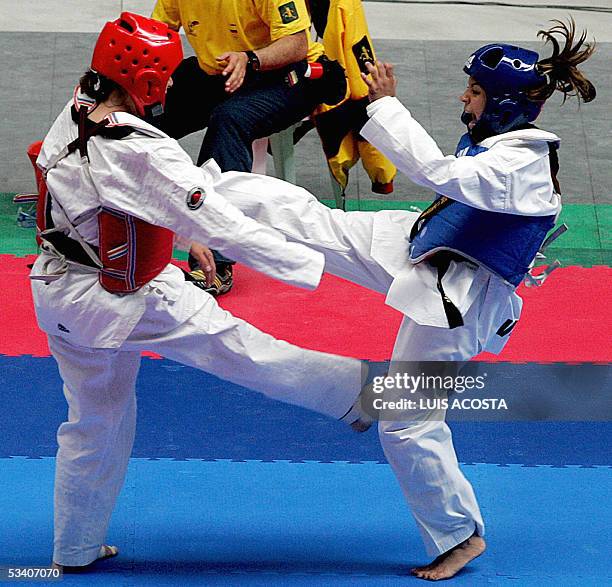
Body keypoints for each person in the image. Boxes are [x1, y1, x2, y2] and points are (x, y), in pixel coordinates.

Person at [212, 19, 596, 580]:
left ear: (503, 104)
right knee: (316, 222)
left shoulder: (520, 166)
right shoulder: (509, 143)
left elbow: (438, 172)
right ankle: (200, 187)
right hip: (428, 247)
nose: (464, 97)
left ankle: (459, 535)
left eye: (475, 91)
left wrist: (387, 106)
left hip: (456, 302)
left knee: (406, 420)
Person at [28, 12, 370, 571]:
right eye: (161, 75)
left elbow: (126, 195)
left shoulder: (77, 109)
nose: (167, 87)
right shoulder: (138, 147)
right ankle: (354, 395)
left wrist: (182, 219)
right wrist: (311, 264)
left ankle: (74, 546)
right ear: (144, 77)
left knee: (94, 422)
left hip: (58, 294)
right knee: (237, 347)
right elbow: (225, 226)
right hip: (125, 296)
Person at [150, 0, 347, 295]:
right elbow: (157, 33)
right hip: (220, 71)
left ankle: (216, 260)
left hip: (285, 74)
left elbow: (296, 43)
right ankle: (116, 224)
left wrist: (250, 59)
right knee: (143, 112)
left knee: (229, 119)